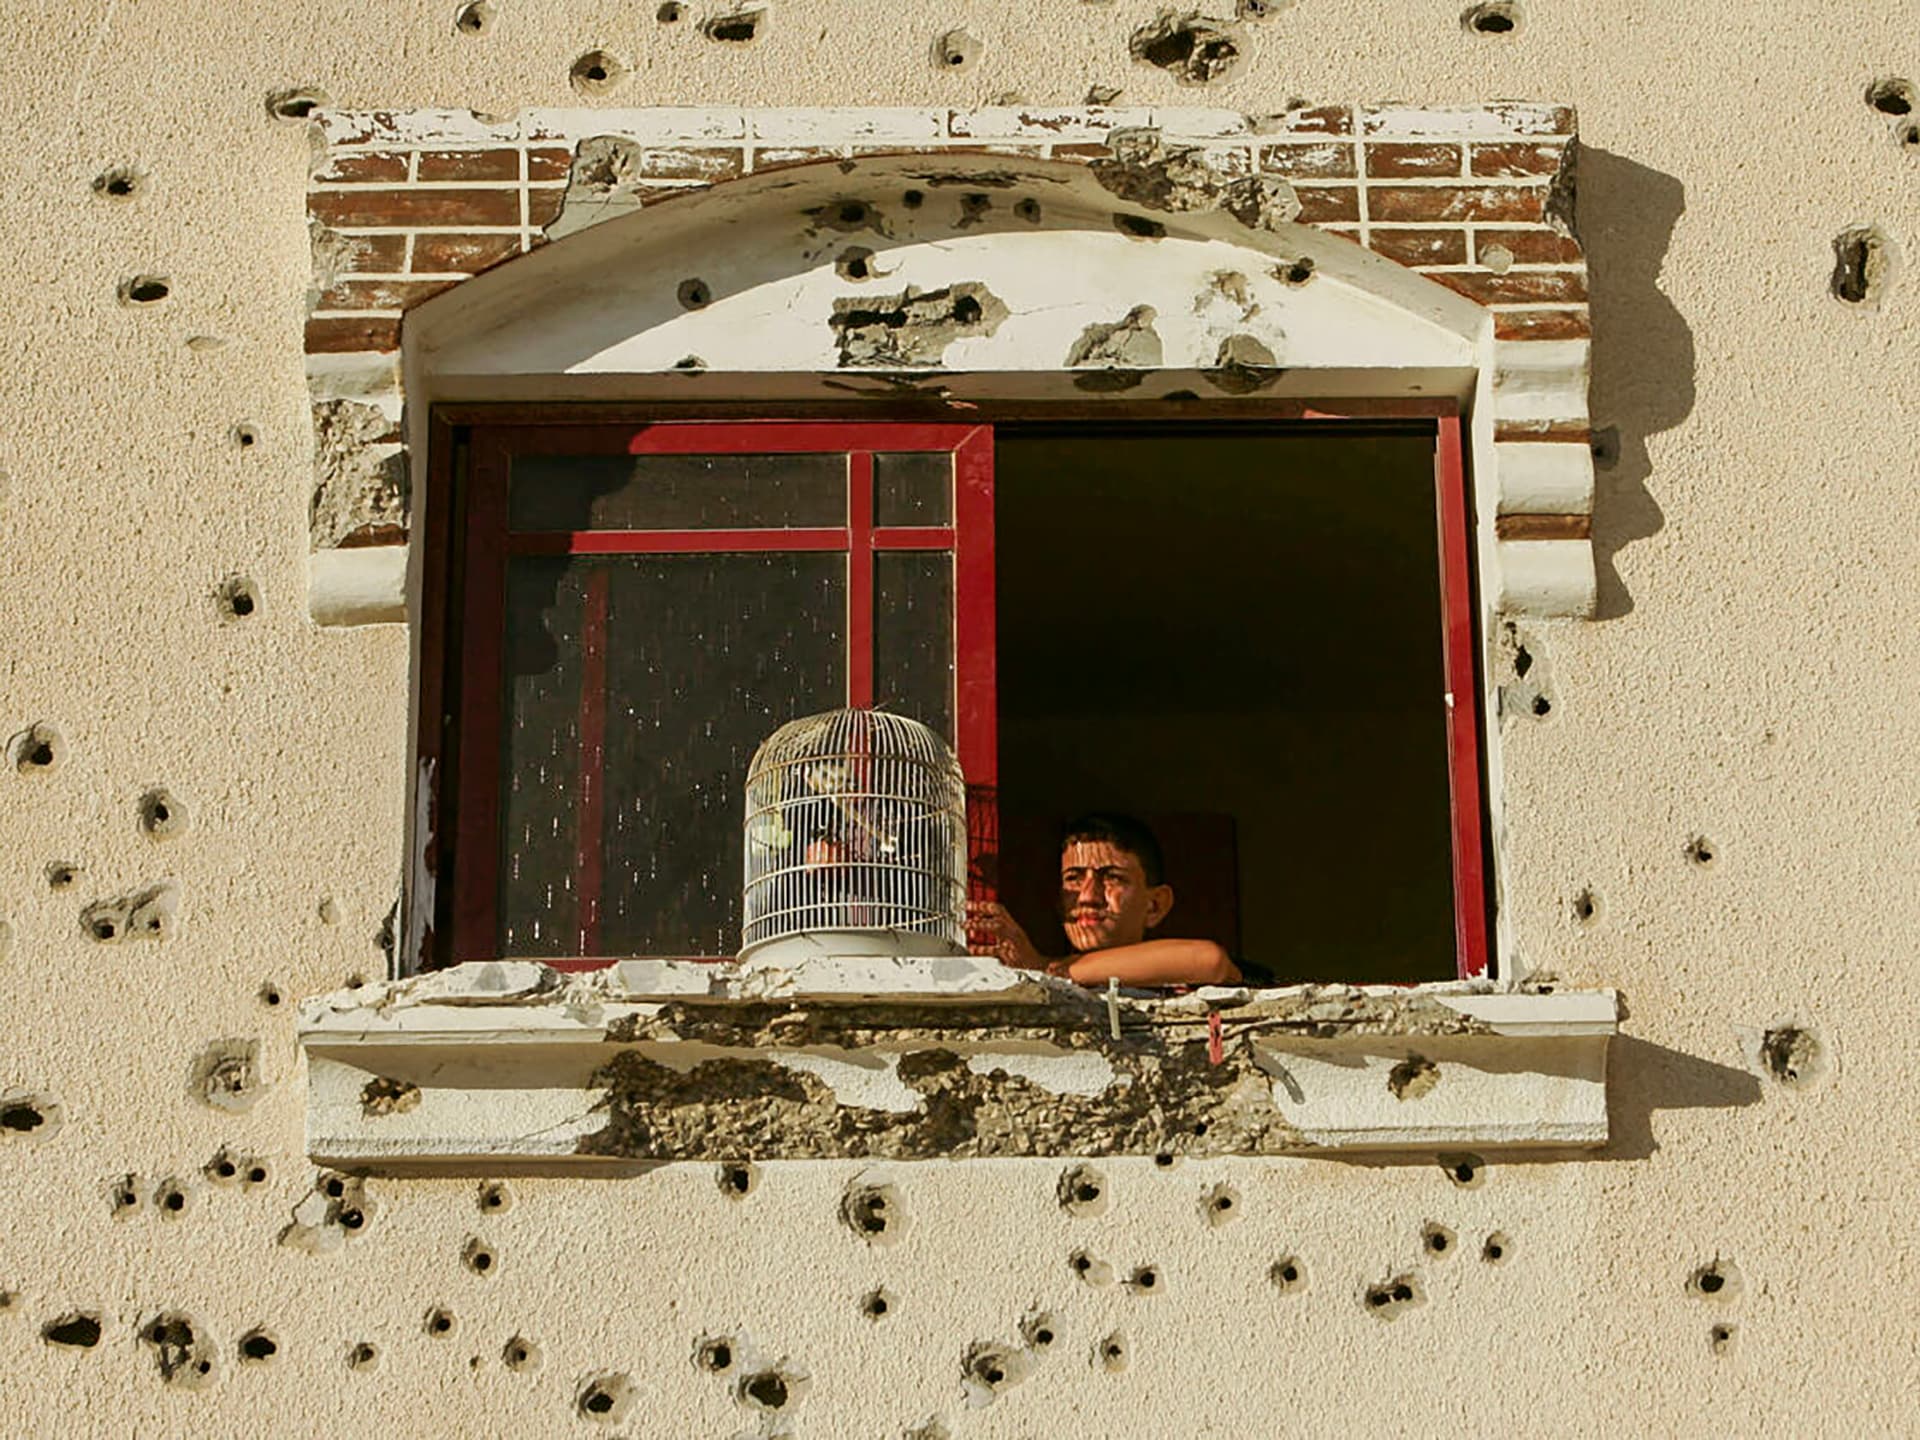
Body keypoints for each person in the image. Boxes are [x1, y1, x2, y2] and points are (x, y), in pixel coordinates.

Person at [968, 813, 1242, 987]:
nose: (1087, 897)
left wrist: (1043, 967)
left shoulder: (1052, 971)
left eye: (1112, 878)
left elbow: (1209, 960)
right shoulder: (1049, 980)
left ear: (1155, 905)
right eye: (1074, 878)